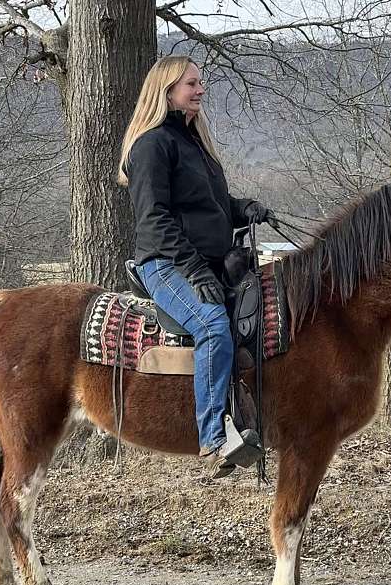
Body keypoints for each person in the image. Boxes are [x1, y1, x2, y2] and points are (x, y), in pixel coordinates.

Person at [118, 55, 277, 479]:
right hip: (168, 263)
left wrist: (245, 208)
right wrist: (196, 270)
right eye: (192, 84)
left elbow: (209, 206)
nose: (200, 90)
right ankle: (213, 438)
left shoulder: (193, 143)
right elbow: (155, 219)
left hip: (207, 262)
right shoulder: (152, 144)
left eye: (200, 83)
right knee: (210, 324)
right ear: (167, 90)